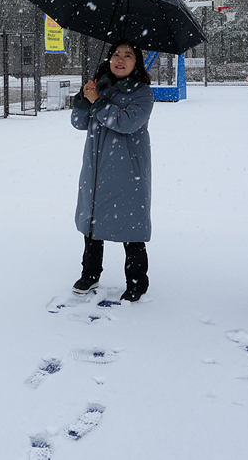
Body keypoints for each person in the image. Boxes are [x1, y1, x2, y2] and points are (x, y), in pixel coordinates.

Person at [70, 40, 155, 302]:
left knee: (131, 230)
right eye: (116, 54)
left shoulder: (143, 93)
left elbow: (126, 122)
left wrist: (98, 102)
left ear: (136, 63)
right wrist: (84, 99)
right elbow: (78, 122)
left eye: (128, 55)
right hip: (96, 170)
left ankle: (137, 282)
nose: (120, 59)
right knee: (93, 225)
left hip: (128, 172)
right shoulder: (101, 86)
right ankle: (90, 274)